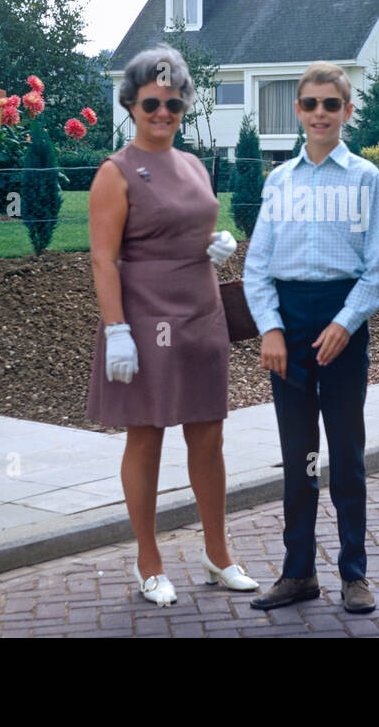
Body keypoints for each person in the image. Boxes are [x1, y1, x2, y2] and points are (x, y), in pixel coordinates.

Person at [86, 45, 258, 606]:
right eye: (152, 102)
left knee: (209, 434)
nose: (164, 112)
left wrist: (216, 246)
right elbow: (103, 259)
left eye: (175, 103)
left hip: (200, 312)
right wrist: (117, 329)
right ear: (132, 105)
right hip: (145, 317)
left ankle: (218, 554)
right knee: (147, 433)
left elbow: (189, 224)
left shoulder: (193, 165)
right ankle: (148, 561)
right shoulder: (115, 172)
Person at [243, 62, 379, 614]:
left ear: (347, 112)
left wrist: (345, 323)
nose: (320, 114)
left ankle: (354, 573)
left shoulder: (366, 180)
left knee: (347, 454)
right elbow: (257, 267)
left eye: (331, 104)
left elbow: (378, 268)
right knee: (299, 455)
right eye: (310, 104)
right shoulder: (278, 182)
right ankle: (298, 572)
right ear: (298, 112)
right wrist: (272, 328)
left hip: (341, 323)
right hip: (290, 324)